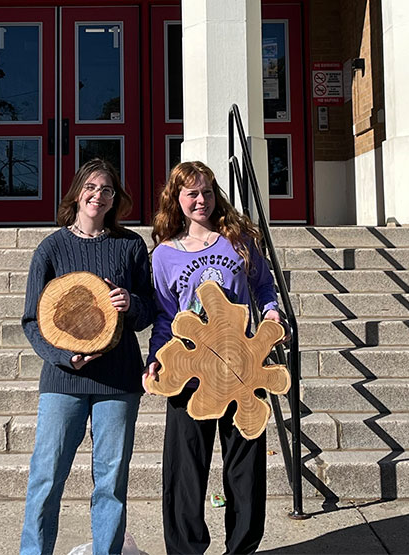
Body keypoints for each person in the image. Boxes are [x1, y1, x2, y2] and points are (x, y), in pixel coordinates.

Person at [145, 161, 288, 554]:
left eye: (207, 191)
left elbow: (263, 285)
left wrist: (272, 311)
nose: (201, 200)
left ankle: (241, 548)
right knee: (185, 470)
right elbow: (163, 315)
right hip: (190, 372)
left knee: (244, 468)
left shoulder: (238, 240)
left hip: (242, 369)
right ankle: (186, 550)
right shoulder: (163, 255)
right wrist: (156, 357)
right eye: (191, 193)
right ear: (176, 198)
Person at [20, 158, 155, 555]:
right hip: (63, 380)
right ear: (77, 193)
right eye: (91, 187)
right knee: (46, 476)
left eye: (107, 189)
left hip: (119, 380)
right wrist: (62, 356)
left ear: (116, 198)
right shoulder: (52, 248)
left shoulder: (130, 245)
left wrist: (130, 302)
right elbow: (32, 320)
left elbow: (148, 312)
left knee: (111, 480)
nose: (98, 195)